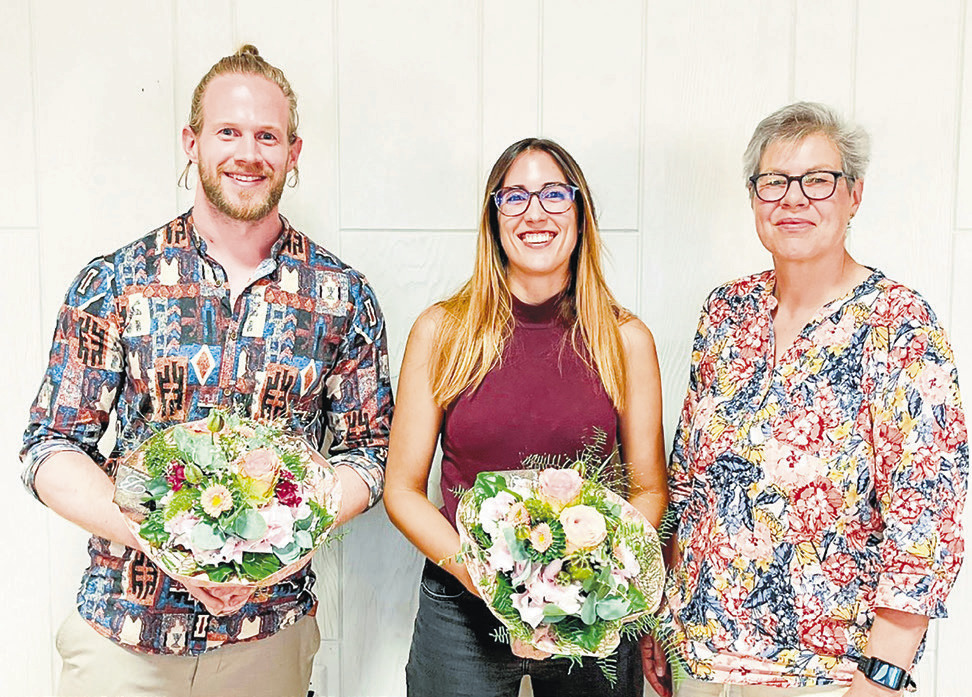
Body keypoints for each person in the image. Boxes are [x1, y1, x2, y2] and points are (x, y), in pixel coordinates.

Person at [20, 45, 393, 697]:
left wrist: (290, 538)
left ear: (293, 153)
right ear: (192, 142)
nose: (247, 152)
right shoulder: (115, 281)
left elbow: (368, 453)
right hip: (123, 636)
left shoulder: (345, 296)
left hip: (268, 638)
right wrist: (159, 537)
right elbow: (50, 446)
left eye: (266, 136)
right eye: (228, 131)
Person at [642, 102, 968, 696]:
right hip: (698, 659)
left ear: (854, 195)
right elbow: (687, 480)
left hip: (826, 676)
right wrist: (655, 622)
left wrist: (886, 673)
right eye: (774, 183)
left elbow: (929, 511)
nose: (793, 200)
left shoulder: (899, 323)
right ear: (753, 198)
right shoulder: (725, 312)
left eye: (818, 180)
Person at [384, 137, 669, 697]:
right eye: (514, 197)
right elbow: (402, 489)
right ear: (493, 218)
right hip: (464, 604)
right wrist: (500, 587)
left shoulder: (625, 340)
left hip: (592, 606)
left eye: (554, 195)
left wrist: (584, 585)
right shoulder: (443, 332)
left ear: (581, 214)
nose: (535, 212)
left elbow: (649, 489)